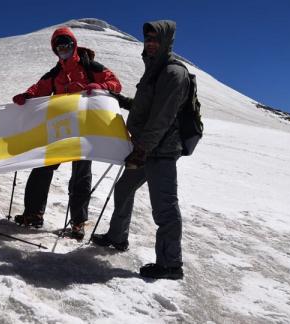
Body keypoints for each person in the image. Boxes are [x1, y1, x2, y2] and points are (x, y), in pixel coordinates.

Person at [91, 20, 189, 280]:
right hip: (147, 149)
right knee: (124, 189)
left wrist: (142, 148)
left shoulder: (173, 73)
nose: (151, 43)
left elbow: (162, 117)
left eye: (156, 39)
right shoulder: (155, 71)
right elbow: (145, 106)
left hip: (161, 151)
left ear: (167, 41)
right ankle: (117, 237)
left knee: (164, 207)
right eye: (148, 39)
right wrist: (119, 100)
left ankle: (170, 265)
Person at [11, 27, 122, 239]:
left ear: (74, 45)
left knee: (80, 177)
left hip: (85, 130)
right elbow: (39, 88)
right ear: (55, 50)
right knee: (42, 169)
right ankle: (34, 214)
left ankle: (78, 223)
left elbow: (115, 84)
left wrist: (100, 85)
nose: (63, 50)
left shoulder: (91, 67)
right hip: (60, 129)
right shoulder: (55, 73)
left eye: (67, 45)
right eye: (59, 47)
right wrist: (26, 96)